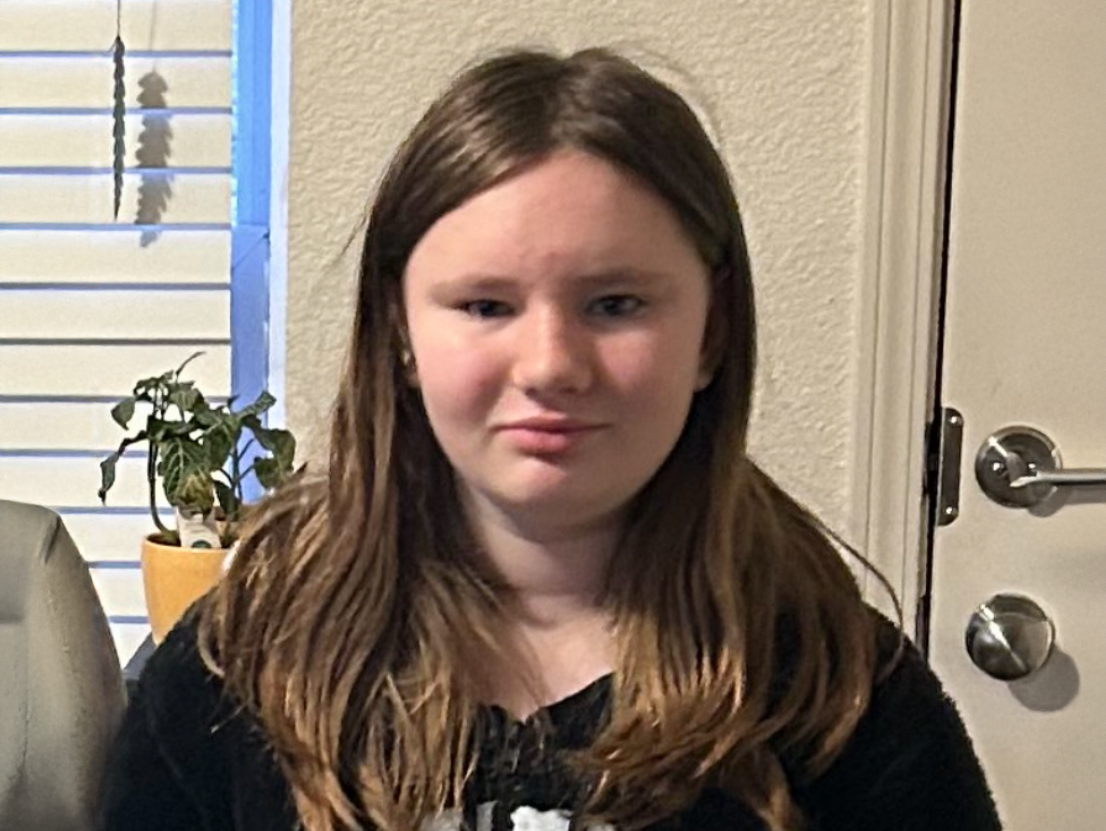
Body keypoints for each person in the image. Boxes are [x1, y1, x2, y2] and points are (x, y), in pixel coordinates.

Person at [98, 48, 1001, 831]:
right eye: (486, 305)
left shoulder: (836, 690)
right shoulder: (248, 664)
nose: (551, 363)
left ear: (713, 331)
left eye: (616, 304)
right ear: (401, 331)